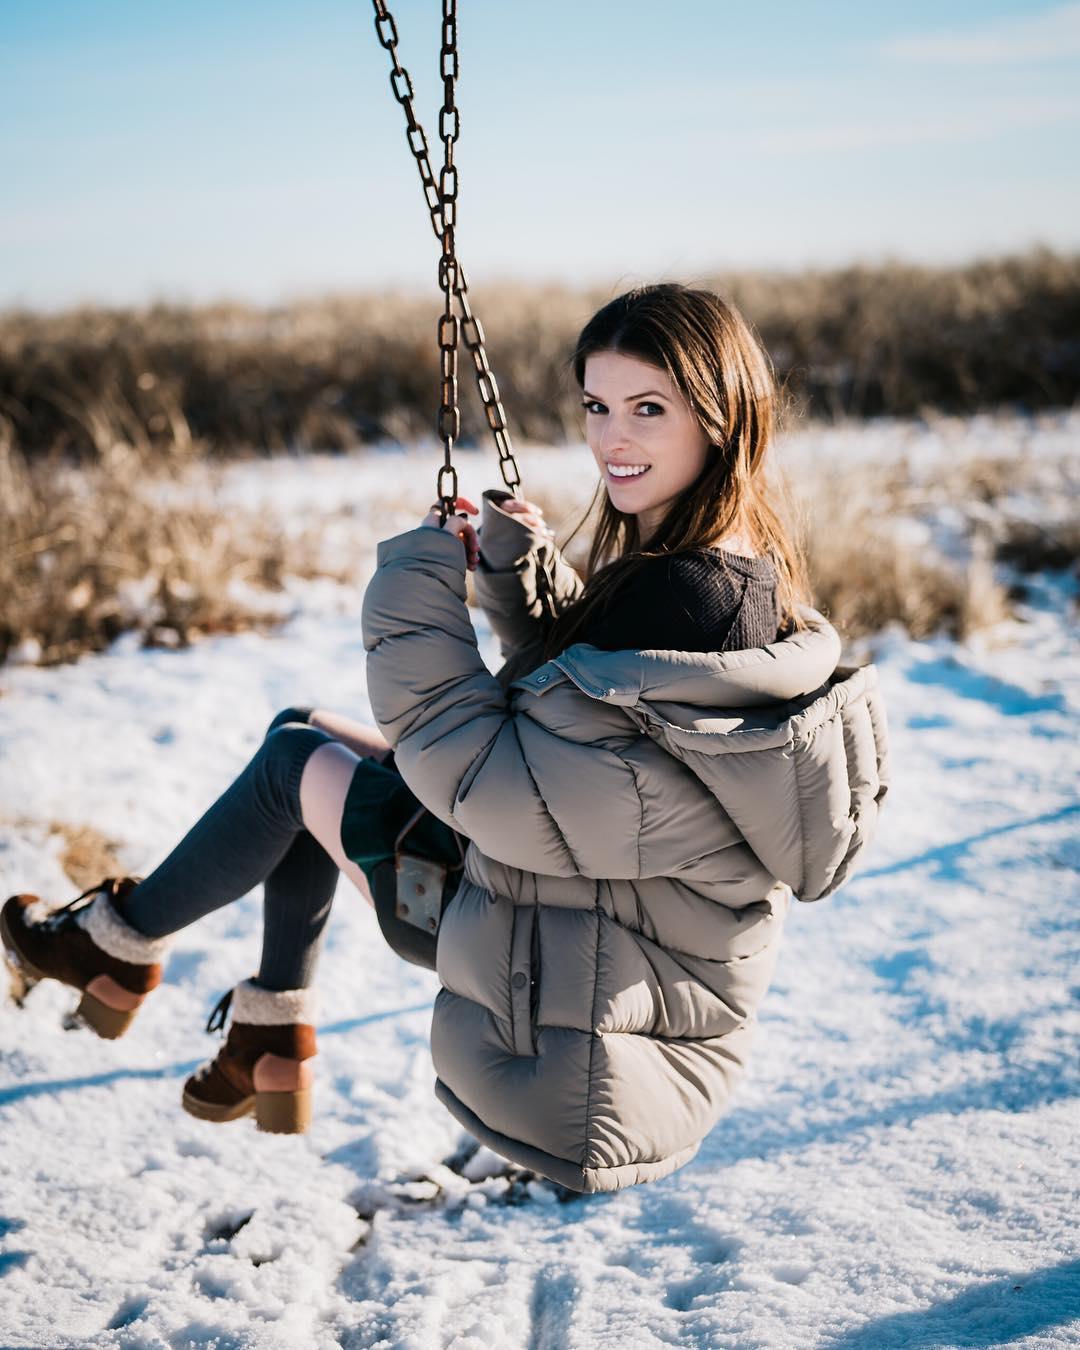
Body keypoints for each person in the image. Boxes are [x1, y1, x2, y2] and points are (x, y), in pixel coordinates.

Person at [2, 284, 889, 1190]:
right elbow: (593, 725)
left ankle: (124, 947)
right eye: (597, 406)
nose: (612, 438)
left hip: (562, 965)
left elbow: (502, 791)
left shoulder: (683, 596)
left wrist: (415, 586)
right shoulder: (717, 572)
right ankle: (266, 1024)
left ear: (722, 413)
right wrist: (520, 573)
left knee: (294, 766)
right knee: (301, 732)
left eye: (648, 409)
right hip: (586, 899)